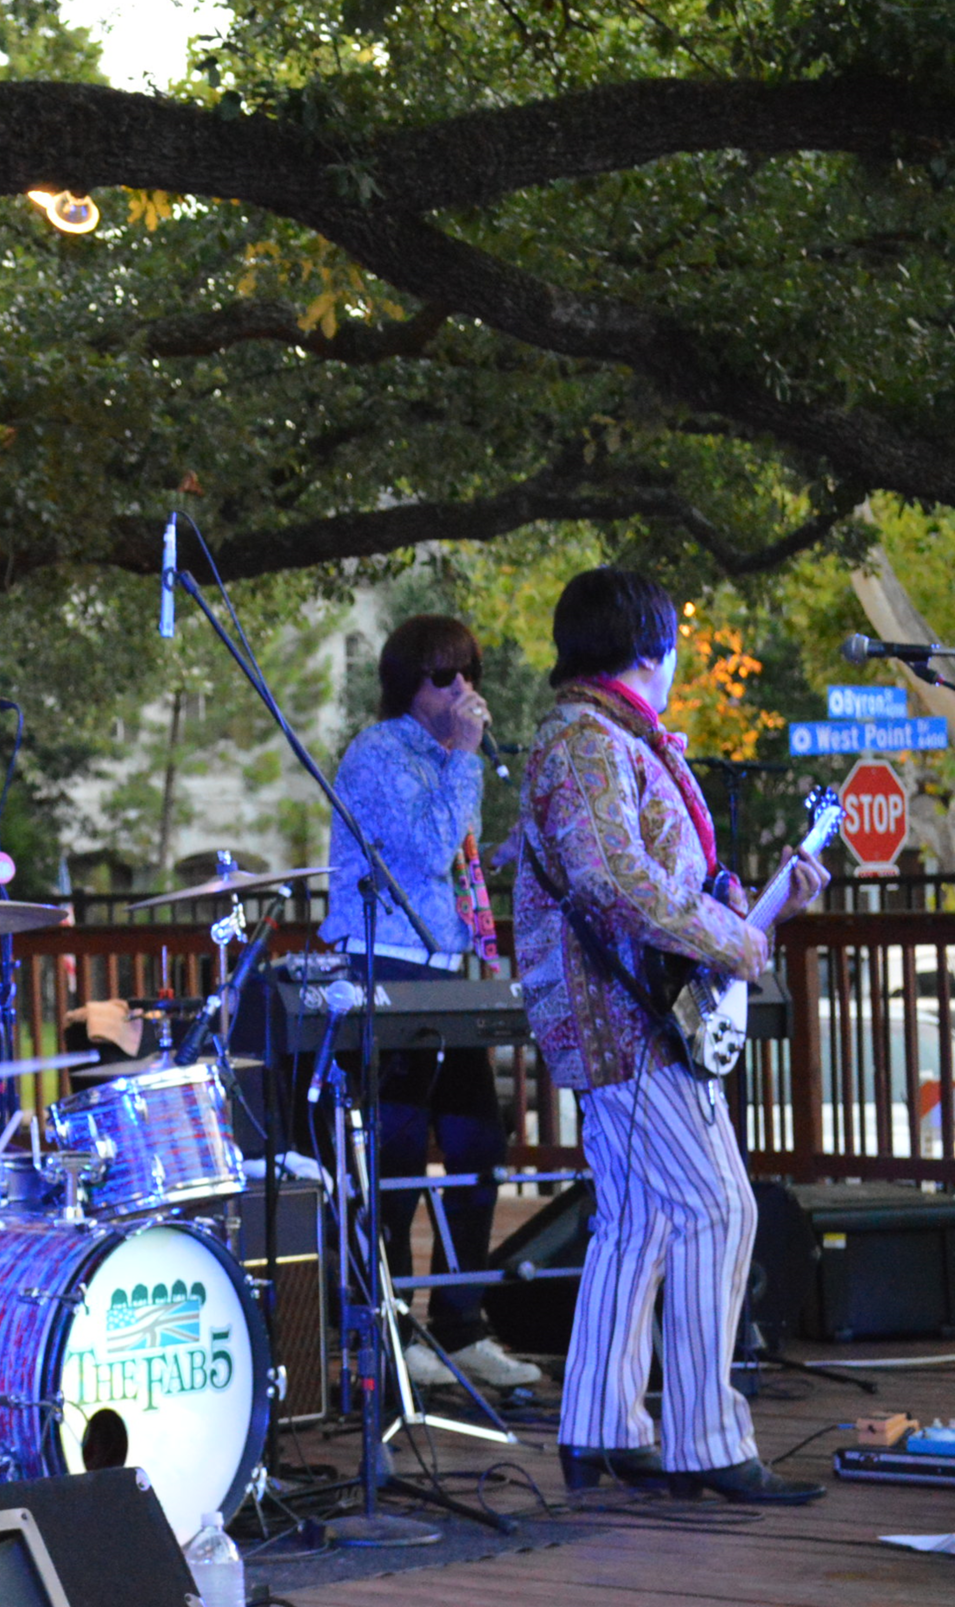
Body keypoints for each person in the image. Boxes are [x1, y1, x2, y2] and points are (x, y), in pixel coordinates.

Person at [515, 567, 827, 1502]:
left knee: (639, 1222)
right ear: (653, 644)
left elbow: (656, 878)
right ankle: (704, 1439)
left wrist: (756, 904)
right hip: (627, 1023)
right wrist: (736, 938)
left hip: (628, 1016)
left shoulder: (605, 737)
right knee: (718, 1207)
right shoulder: (585, 742)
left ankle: (601, 1426)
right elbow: (618, 881)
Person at [317, 614, 540, 1392]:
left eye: (469, 673)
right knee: (397, 1152)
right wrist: (467, 762)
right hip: (390, 964)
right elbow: (425, 849)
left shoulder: (450, 762)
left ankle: (461, 1323)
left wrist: (518, 849)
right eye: (446, 676)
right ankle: (390, 1327)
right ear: (411, 685)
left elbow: (456, 866)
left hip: (447, 969)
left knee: (479, 1141)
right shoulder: (382, 753)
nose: (464, 690)